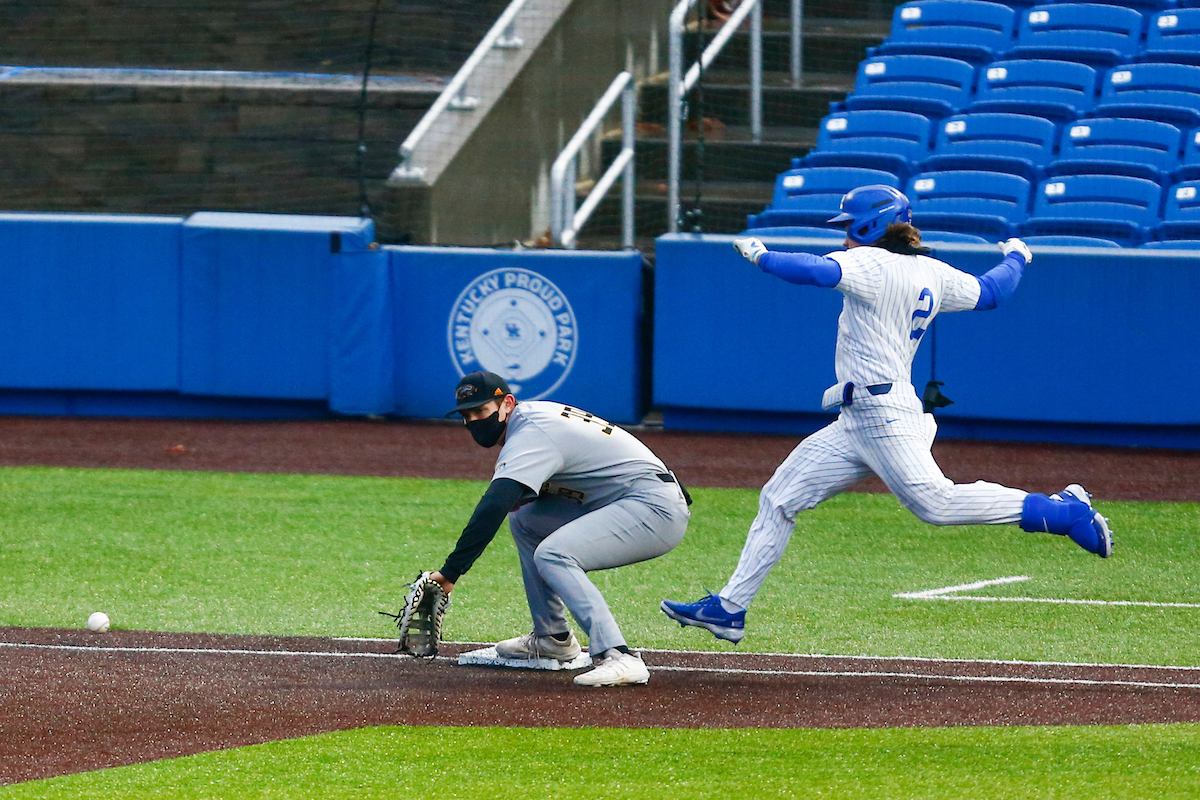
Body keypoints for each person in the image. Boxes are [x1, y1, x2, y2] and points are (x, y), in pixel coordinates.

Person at [661, 184, 1112, 645]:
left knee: (936, 503)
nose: (843, 238)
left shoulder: (872, 263)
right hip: (860, 417)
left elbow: (814, 271)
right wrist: (1017, 256)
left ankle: (1063, 514)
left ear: (869, 225)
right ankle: (729, 609)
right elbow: (992, 291)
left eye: (848, 228)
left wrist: (762, 255)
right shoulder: (930, 270)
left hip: (882, 412)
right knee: (779, 498)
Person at [428, 370, 691, 686]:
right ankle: (552, 638)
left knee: (554, 554)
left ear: (506, 404)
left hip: (654, 509)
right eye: (467, 415)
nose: (473, 421)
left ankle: (617, 655)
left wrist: (450, 573)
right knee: (526, 518)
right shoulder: (532, 419)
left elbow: (493, 506)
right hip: (629, 497)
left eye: (480, 411)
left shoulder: (531, 432)